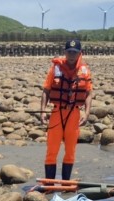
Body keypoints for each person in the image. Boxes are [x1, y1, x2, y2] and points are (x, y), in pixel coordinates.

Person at [40, 38, 93, 183]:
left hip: (74, 114)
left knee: (70, 151)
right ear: (65, 52)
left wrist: (87, 113)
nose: (71, 54)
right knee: (52, 150)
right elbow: (46, 90)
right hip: (57, 112)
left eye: (74, 52)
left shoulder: (85, 70)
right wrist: (43, 111)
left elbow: (88, 93)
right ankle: (49, 182)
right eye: (69, 51)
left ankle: (65, 183)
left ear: (79, 53)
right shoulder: (55, 68)